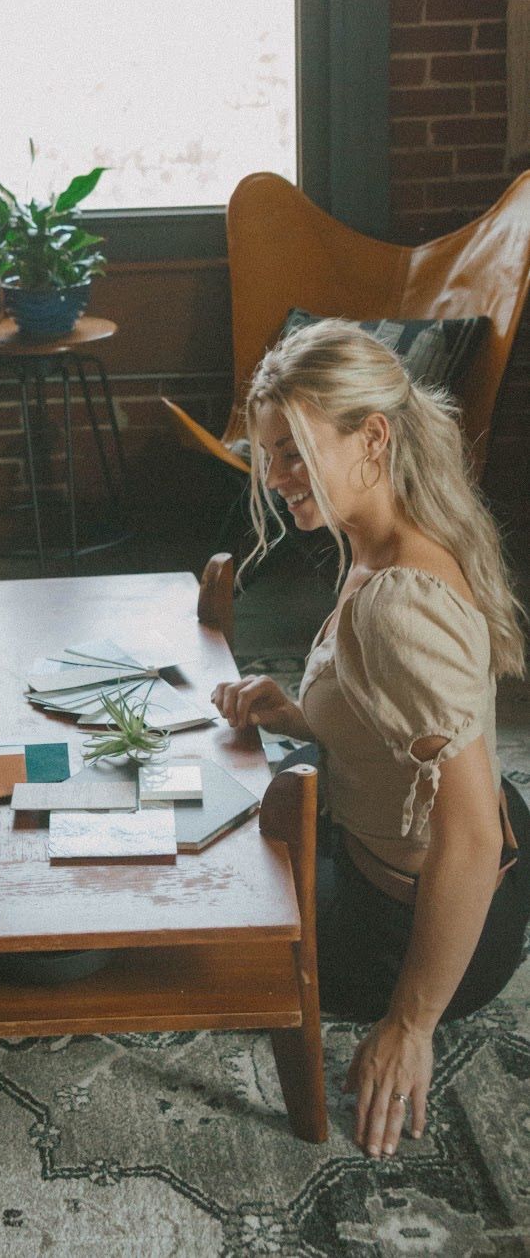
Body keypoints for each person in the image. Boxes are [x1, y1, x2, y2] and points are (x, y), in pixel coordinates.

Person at [210, 318, 529, 1162]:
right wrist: (303, 712)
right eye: (269, 455)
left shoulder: (398, 603)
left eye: (293, 453)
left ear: (373, 436)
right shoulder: (380, 538)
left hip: (413, 918)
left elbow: (470, 832)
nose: (277, 479)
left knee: (205, 904)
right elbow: (400, 721)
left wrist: (410, 1023)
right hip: (441, 841)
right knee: (251, 807)